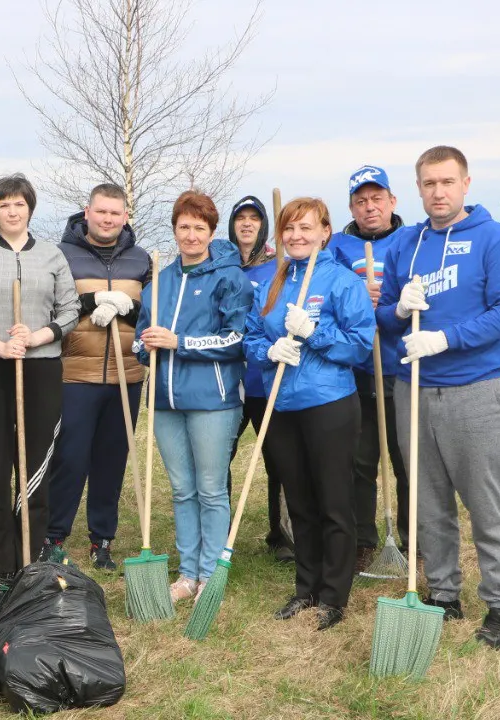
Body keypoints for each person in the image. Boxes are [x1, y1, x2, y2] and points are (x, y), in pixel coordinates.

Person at [377, 146, 500, 649]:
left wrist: (446, 338)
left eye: (447, 182)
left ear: (465, 183)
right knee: (427, 501)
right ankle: (443, 595)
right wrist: (397, 310)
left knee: (486, 504)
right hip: (413, 391)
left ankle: (499, 605)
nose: (438, 192)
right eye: (428, 184)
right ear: (417, 188)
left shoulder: (493, 239)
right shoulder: (404, 245)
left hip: (474, 392)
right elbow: (380, 317)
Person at [243, 197, 373, 631]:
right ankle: (307, 588)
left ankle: (334, 595)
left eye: (306, 228)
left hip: (330, 404)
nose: (296, 236)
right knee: (299, 502)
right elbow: (250, 336)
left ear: (324, 232)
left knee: (334, 502)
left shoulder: (340, 281)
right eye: (289, 229)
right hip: (282, 405)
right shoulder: (273, 283)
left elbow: (360, 344)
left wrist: (316, 332)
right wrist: (268, 349)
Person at [0, 173, 79, 583]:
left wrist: (38, 335)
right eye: (4, 204)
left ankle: (30, 555)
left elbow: (70, 310)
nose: (12, 210)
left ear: (30, 209)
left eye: (19, 204)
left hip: (40, 368)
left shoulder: (51, 256)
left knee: (35, 463)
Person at [134, 190, 252, 604]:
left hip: (213, 400)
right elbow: (143, 335)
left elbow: (237, 339)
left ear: (211, 232)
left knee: (210, 489)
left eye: (199, 228)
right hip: (166, 401)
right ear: (174, 229)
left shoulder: (228, 277)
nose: (190, 235)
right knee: (181, 489)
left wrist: (178, 342)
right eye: (183, 227)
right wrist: (142, 344)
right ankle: (187, 573)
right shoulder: (160, 280)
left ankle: (210, 575)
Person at [42, 183, 151, 571]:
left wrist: (131, 307)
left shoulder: (140, 259)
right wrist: (88, 303)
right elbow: (49, 306)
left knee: (111, 459)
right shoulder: (61, 255)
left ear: (125, 216)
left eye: (115, 213)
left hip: (127, 376)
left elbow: (153, 314)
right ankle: (53, 537)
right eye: (101, 212)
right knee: (70, 459)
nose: (108, 219)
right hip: (76, 374)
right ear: (86, 212)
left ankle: (101, 539)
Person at [326, 166, 416, 572]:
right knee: (360, 461)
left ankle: (414, 540)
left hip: (402, 365)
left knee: (406, 459)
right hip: (358, 369)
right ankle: (364, 539)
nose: (370, 207)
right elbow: (324, 290)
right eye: (361, 201)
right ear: (352, 207)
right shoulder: (338, 248)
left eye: (376, 199)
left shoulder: (413, 239)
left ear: (392, 202)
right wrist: (354, 296)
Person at [224, 195, 294, 563]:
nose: (247, 224)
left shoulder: (278, 265)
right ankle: (219, 535)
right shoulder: (219, 264)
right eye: (240, 218)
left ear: (263, 225)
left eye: (254, 218)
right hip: (231, 382)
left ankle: (283, 535)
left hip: (269, 380)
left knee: (280, 460)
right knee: (220, 458)